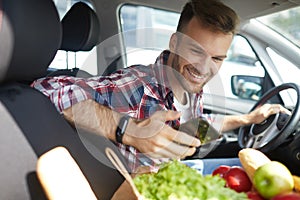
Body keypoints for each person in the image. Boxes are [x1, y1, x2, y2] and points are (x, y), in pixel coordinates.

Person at [32, 0, 290, 172]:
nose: (203, 68)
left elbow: (197, 124)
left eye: (217, 58)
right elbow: (46, 90)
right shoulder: (138, 85)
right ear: (175, 43)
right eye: (196, 51)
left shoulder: (192, 89)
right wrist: (128, 129)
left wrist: (246, 119)